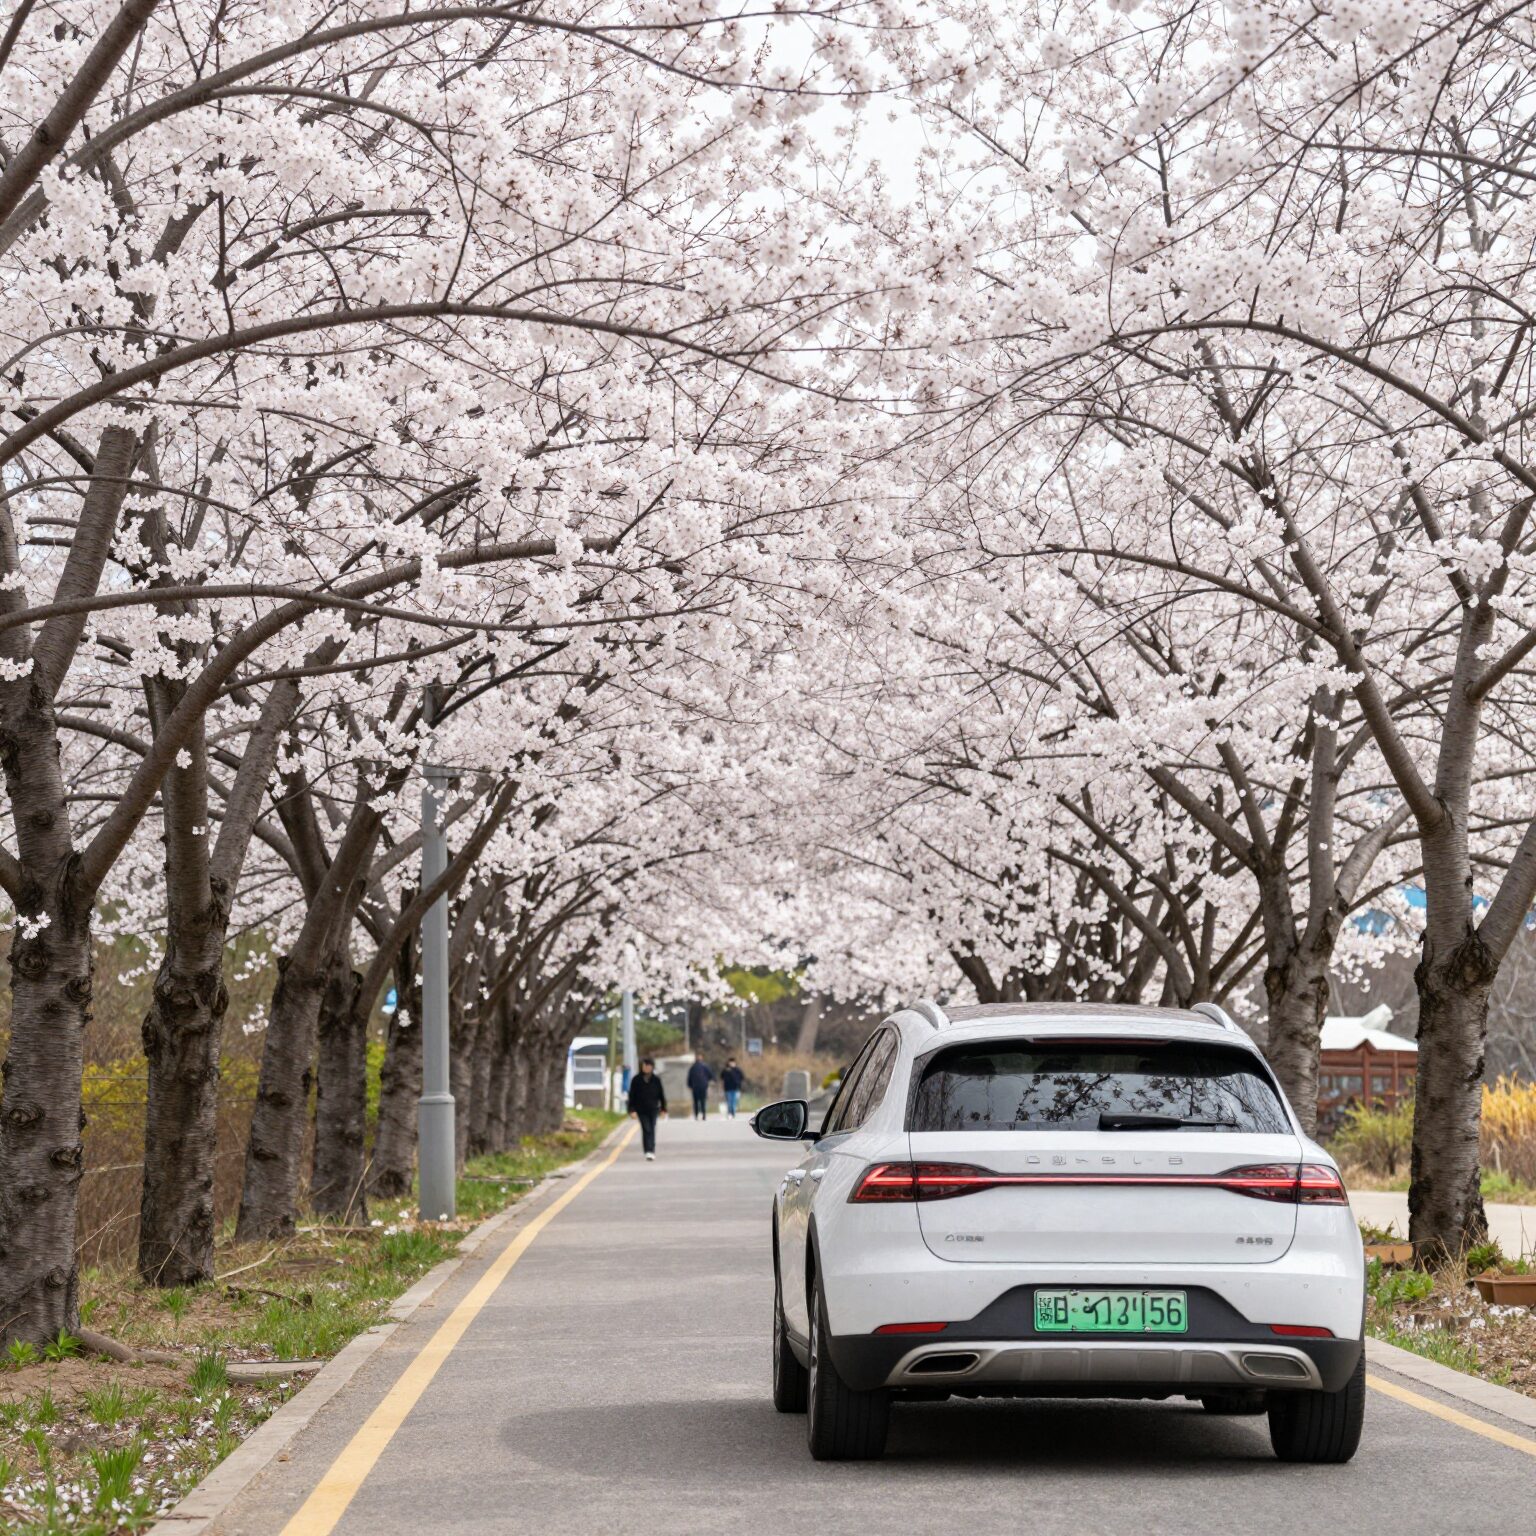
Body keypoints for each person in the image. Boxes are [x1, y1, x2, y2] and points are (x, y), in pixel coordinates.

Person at [627, 1057, 667, 1160]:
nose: (646, 1068)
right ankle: (647, 1150)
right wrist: (631, 1110)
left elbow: (661, 1095)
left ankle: (651, 1150)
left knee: (652, 1128)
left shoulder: (656, 1080)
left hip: (653, 1108)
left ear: (652, 1067)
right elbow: (632, 1096)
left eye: (648, 1066)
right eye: (644, 1066)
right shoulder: (636, 1080)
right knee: (646, 1128)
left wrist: (663, 1109)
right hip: (641, 1109)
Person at [686, 1053, 714, 1120]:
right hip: (702, 1086)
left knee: (696, 1101)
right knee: (702, 1101)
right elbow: (711, 1075)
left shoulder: (693, 1067)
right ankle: (703, 1115)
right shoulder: (704, 1067)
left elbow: (689, 1078)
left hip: (695, 1087)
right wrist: (707, 1081)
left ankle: (697, 1115)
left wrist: (689, 1085)